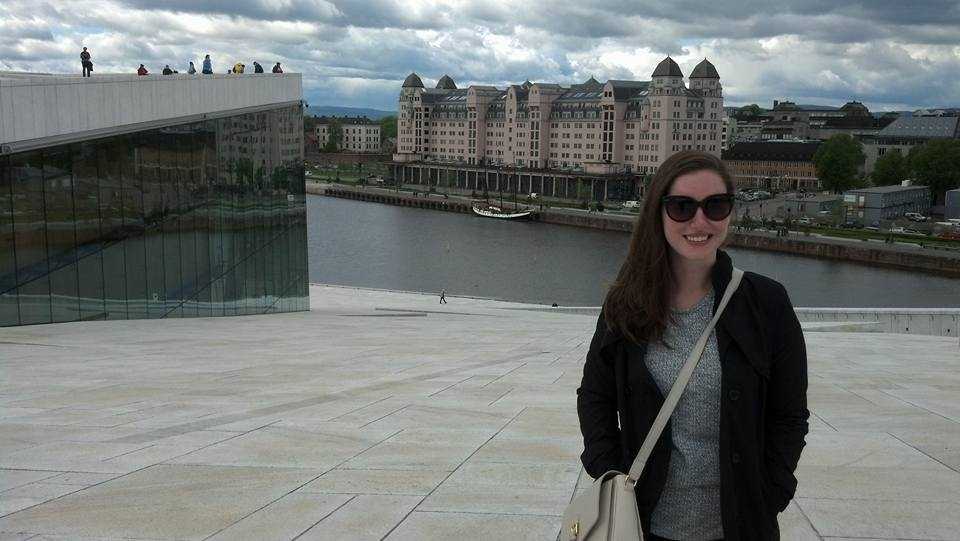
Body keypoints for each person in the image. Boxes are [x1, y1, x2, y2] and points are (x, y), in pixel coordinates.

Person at [577, 150, 808, 541]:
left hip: (740, 524)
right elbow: (594, 397)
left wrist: (772, 492)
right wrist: (609, 470)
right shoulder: (626, 303)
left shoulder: (767, 303)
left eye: (715, 206)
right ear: (659, 213)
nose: (700, 222)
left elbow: (789, 415)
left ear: (730, 212)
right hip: (643, 522)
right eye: (682, 207)